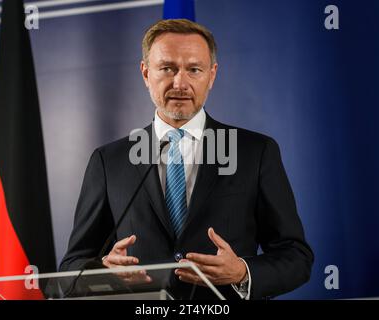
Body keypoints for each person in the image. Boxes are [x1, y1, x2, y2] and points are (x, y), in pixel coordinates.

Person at [60, 19, 313, 300]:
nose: (180, 82)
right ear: (145, 73)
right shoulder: (108, 161)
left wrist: (242, 272)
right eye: (167, 68)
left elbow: (296, 258)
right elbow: (72, 268)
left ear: (212, 75)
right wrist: (103, 273)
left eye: (194, 69)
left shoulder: (256, 152)